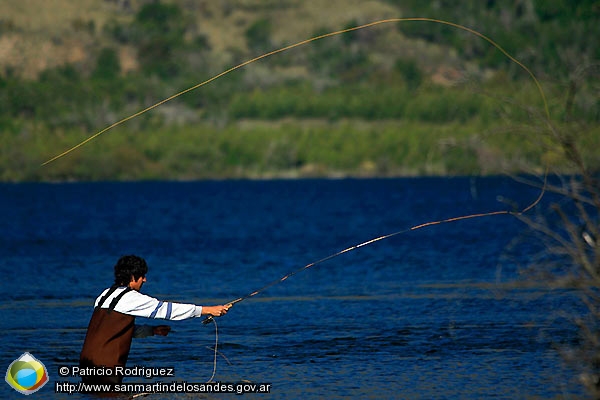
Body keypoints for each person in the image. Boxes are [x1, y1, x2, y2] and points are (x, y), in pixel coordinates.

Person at [79, 255, 231, 384]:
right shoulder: (131, 298)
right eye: (142, 276)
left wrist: (151, 331)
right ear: (132, 277)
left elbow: (114, 331)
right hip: (107, 367)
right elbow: (168, 310)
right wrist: (207, 310)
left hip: (86, 364)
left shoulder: (105, 294)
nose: (144, 280)